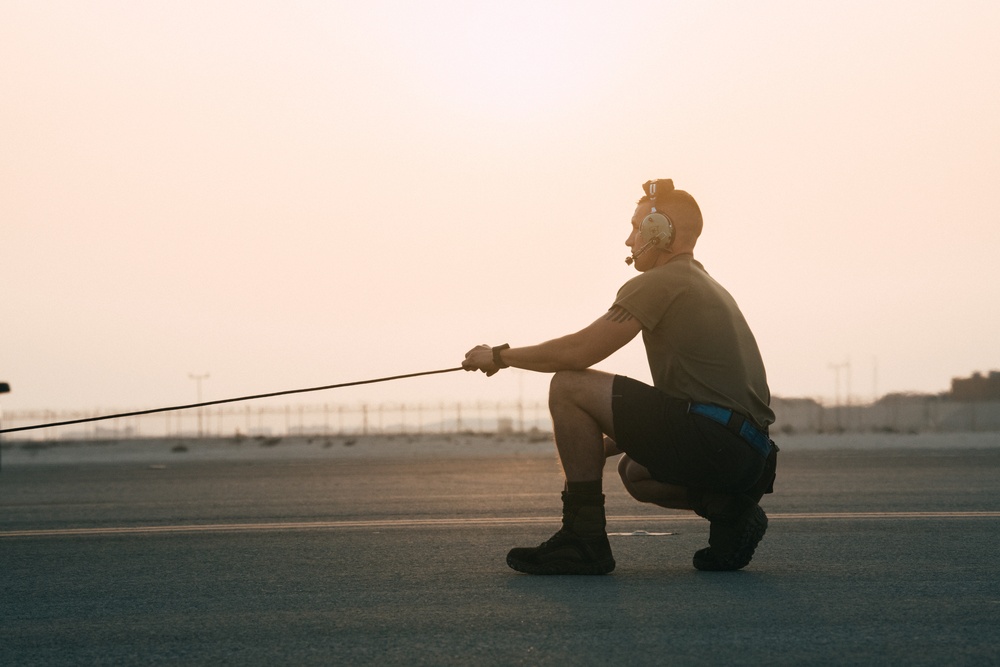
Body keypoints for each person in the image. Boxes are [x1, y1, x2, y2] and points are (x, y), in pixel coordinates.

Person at [462, 179, 777, 575]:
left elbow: (579, 352)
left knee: (568, 385)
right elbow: (692, 405)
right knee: (634, 471)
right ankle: (731, 513)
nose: (629, 240)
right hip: (751, 458)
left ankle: (583, 540)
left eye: (636, 228)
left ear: (659, 231)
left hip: (717, 443)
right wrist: (593, 442)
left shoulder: (660, 281)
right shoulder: (704, 284)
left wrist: (499, 356)